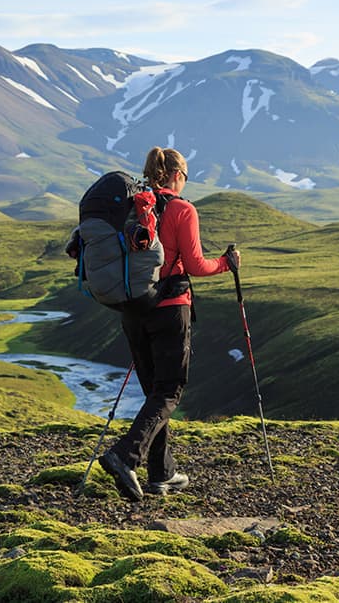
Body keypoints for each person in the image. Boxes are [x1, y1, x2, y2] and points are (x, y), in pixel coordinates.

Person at [99, 147, 238, 501]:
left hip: (132, 310)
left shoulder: (129, 209)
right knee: (171, 389)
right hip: (170, 308)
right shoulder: (182, 209)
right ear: (178, 176)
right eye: (187, 177)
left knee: (155, 394)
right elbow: (195, 265)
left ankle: (162, 473)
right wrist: (226, 263)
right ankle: (124, 455)